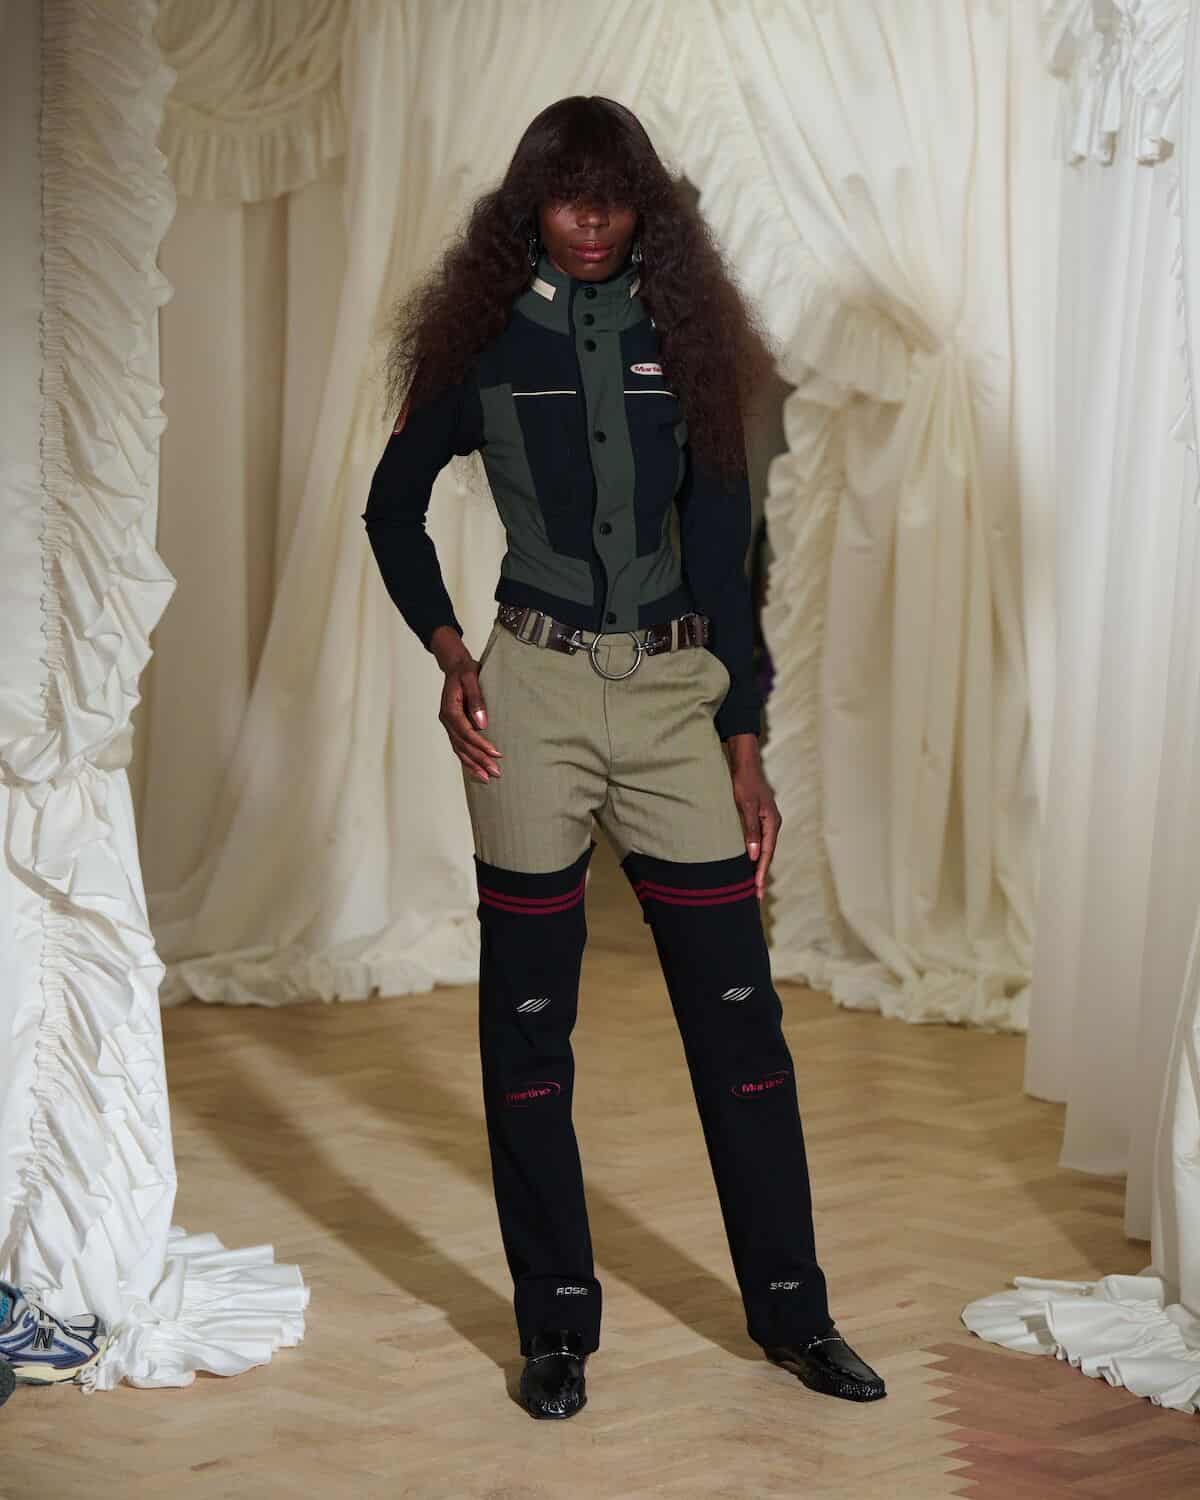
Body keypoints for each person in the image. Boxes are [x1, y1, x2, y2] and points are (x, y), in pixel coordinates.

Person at [363, 96, 885, 1420]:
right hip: (530, 697)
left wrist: (743, 742)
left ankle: (795, 1314)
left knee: (742, 1020)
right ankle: (556, 1327)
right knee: (529, 1032)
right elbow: (391, 507)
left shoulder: (688, 344)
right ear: (529, 207)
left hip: (670, 698)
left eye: (613, 198)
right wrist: (452, 655)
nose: (590, 222)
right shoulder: (482, 344)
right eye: (567, 197)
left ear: (645, 208)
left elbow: (726, 557)